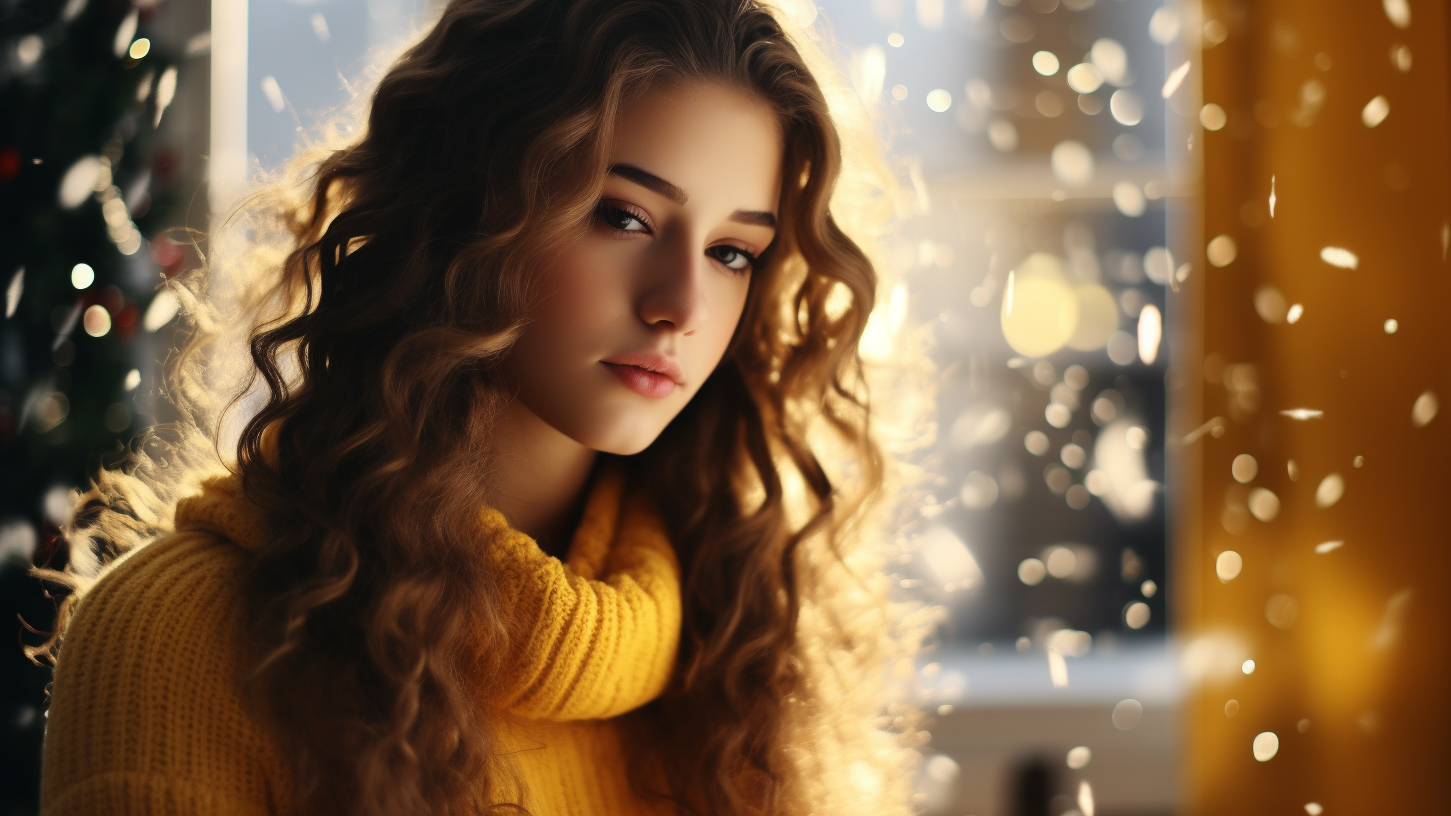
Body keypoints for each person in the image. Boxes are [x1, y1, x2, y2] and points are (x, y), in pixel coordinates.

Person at [33, 1, 924, 814]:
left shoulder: (734, 656)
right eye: (623, 217)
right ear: (466, 208)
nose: (681, 305)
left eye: (733, 252)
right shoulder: (183, 644)